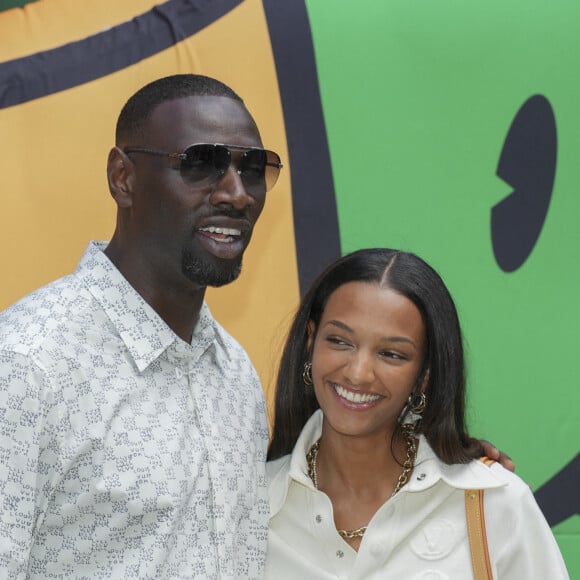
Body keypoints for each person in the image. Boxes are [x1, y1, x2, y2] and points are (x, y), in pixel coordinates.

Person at [0, 74, 283, 579]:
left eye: (254, 168)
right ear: (122, 178)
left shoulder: (234, 373)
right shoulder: (26, 366)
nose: (238, 195)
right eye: (202, 163)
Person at [266, 248, 568, 579]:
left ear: (425, 373)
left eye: (391, 354)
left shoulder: (494, 502)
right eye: (340, 341)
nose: (358, 372)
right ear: (311, 342)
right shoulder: (247, 506)